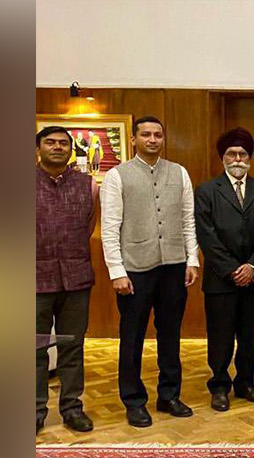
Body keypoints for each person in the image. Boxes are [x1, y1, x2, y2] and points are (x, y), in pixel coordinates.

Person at [100, 116, 201, 428]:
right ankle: (133, 400)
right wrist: (116, 270)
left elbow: (188, 219)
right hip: (135, 269)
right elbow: (110, 227)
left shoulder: (179, 173)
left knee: (170, 335)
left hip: (173, 267)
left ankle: (169, 394)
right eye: (146, 134)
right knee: (132, 337)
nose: (153, 139)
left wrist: (192, 259)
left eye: (158, 134)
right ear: (134, 139)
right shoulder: (118, 176)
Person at [195, 127, 254, 412]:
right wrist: (233, 269)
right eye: (232, 154)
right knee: (220, 336)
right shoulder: (206, 191)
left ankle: (246, 382)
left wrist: (253, 266)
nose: (238, 159)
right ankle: (219, 386)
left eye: (243, 154)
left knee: (249, 335)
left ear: (250, 158)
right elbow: (206, 236)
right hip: (221, 279)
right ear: (223, 158)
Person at [35, 126, 96, 434]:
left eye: (63, 143)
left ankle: (72, 408)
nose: (57, 147)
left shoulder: (86, 185)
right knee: (34, 349)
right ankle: (34, 410)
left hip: (76, 278)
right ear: (38, 148)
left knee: (73, 347)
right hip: (33, 280)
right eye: (50, 142)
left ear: (71, 150)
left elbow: (88, 226)